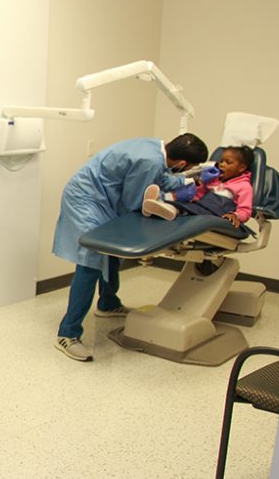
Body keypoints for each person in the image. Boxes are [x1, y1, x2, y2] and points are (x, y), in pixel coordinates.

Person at [52, 133, 208, 361]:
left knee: (113, 250)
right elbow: (135, 202)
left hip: (105, 199)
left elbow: (156, 179)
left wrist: (188, 180)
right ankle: (67, 334)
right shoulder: (150, 161)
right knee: (91, 262)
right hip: (86, 200)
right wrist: (173, 196)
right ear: (182, 163)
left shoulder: (155, 148)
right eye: (189, 168)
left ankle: (108, 303)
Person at [143, 145, 254, 228]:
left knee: (186, 210)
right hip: (200, 207)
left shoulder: (244, 187)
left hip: (215, 215)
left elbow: (245, 210)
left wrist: (235, 216)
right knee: (183, 205)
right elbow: (199, 194)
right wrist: (199, 185)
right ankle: (160, 205)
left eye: (228, 162)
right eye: (221, 161)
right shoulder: (214, 179)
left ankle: (167, 208)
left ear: (241, 167)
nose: (222, 164)